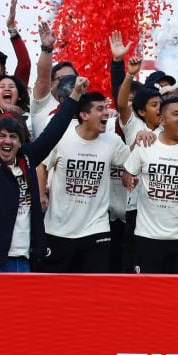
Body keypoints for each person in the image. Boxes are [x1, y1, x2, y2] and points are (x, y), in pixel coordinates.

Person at [0, 73, 87, 272]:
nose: (7, 141)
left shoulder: (26, 158)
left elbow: (52, 133)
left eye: (13, 136)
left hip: (23, 260)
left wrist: (75, 97)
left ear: (20, 143)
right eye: (1, 136)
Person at [41, 91, 132, 273]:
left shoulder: (112, 141)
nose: (106, 112)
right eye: (100, 109)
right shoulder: (62, 136)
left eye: (106, 108)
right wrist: (41, 193)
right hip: (58, 228)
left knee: (93, 290)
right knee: (54, 289)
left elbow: (131, 162)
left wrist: (129, 170)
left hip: (96, 228)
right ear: (83, 115)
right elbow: (42, 166)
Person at [122, 95, 178, 275]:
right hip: (147, 236)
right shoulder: (146, 142)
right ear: (163, 120)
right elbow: (128, 173)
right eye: (176, 114)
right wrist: (129, 179)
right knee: (147, 294)